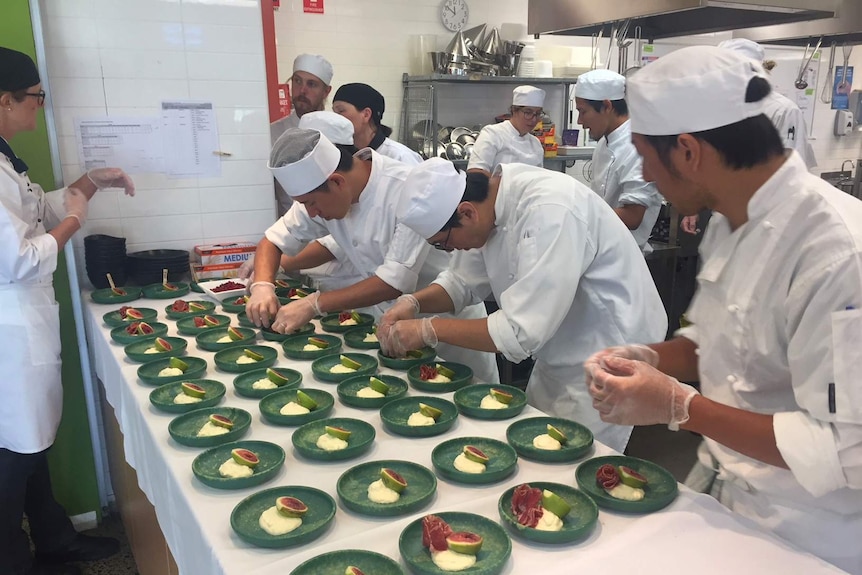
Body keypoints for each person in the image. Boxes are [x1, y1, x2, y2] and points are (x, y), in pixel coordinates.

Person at [585, 45, 862, 573]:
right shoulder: (733, 222)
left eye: (645, 155)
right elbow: (717, 340)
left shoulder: (836, 252)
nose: (645, 172)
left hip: (807, 534)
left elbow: (846, 450)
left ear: (688, 152)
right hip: (723, 497)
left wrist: (681, 408)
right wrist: (648, 357)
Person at [378, 163, 667, 452]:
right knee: (534, 447)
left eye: (443, 243)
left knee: (577, 464)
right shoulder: (487, 212)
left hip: (610, 349)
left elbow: (519, 332)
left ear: (466, 213)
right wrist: (413, 303)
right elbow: (460, 283)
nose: (449, 251)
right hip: (559, 348)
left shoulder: (551, 209)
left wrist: (430, 329)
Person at [0, 47, 134, 575]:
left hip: (25, 327)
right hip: (11, 336)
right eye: (35, 98)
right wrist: (76, 221)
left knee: (30, 450)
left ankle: (55, 540)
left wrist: (86, 185)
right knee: (13, 459)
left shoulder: (6, 158)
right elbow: (20, 257)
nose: (40, 108)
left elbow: (34, 212)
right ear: (4, 100)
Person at [246, 128, 499, 383]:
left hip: (449, 324)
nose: (310, 213)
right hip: (392, 325)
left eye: (311, 203)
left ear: (337, 182)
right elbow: (273, 239)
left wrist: (314, 304)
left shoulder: (405, 190)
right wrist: (262, 286)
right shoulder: (322, 193)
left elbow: (392, 283)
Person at [680, 38, 818, 235]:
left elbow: (793, 176)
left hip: (768, 223)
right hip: (724, 218)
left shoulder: (783, 110)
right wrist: (696, 206)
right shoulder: (719, 110)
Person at [575, 69, 663, 254]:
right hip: (602, 248)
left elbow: (632, 216)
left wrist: (576, 214)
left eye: (583, 112)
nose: (580, 121)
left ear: (607, 106)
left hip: (624, 254)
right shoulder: (603, 143)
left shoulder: (636, 146)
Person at [270, 54, 334, 216]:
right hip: (289, 231)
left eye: (311, 84)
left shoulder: (337, 131)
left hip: (332, 233)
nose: (302, 90)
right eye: (297, 81)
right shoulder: (272, 133)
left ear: (326, 91)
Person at [332, 83, 422, 165]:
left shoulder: (400, 157)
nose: (334, 118)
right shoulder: (338, 154)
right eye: (334, 112)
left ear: (366, 114)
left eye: (341, 111)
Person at [466, 86, 545, 174]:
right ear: (514, 110)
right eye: (528, 112)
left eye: (538, 114)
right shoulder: (492, 134)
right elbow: (476, 172)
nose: (534, 119)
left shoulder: (535, 143)